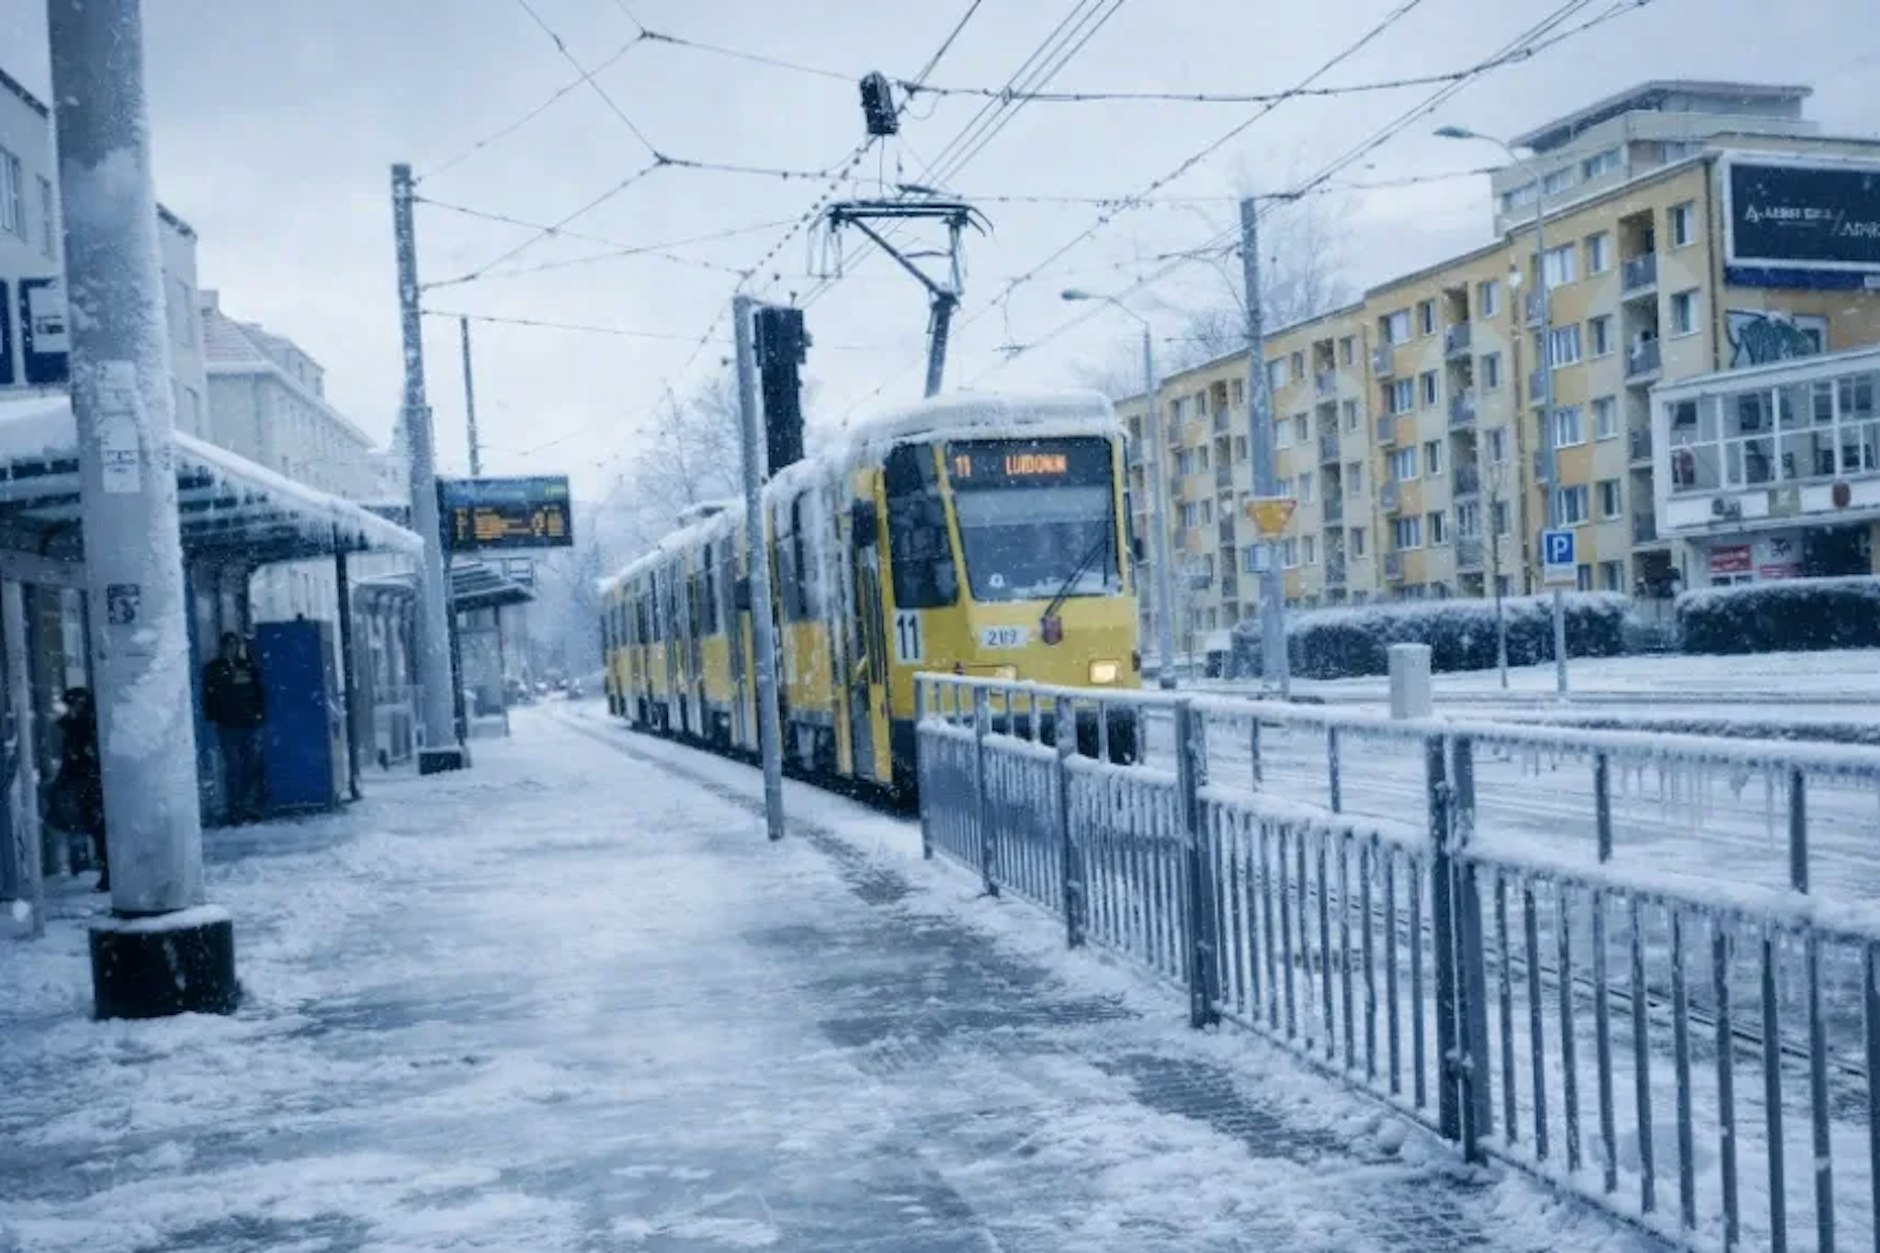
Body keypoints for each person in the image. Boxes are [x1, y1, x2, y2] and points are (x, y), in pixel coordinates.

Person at [203, 632, 267, 823]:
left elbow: (257, 691)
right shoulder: (214, 669)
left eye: (234, 645)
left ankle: (249, 806)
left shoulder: (247, 666)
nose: (231, 649)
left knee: (251, 767)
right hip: (228, 725)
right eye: (228, 646)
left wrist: (259, 714)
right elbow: (210, 697)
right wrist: (213, 717)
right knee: (234, 768)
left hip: (249, 723)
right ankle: (236, 809)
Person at [49, 687, 106, 891]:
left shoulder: (81, 727)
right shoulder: (82, 725)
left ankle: (100, 870)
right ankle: (99, 869)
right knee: (97, 830)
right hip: (87, 784)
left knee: (97, 830)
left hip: (87, 784)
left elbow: (78, 758)